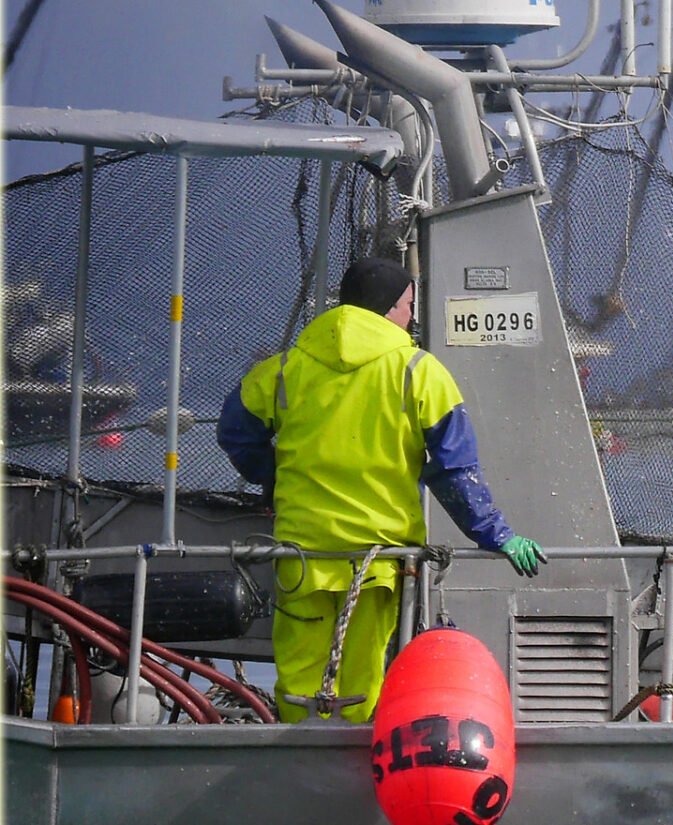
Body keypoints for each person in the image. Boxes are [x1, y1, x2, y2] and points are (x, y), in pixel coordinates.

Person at [217, 257, 547, 722]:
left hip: (300, 557)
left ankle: (293, 763)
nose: (412, 316)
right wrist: (498, 536)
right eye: (409, 305)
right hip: (377, 564)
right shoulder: (419, 371)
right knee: (361, 685)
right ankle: (352, 777)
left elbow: (235, 433)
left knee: (296, 684)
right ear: (391, 307)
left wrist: (273, 474)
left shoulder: (284, 369)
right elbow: (455, 472)